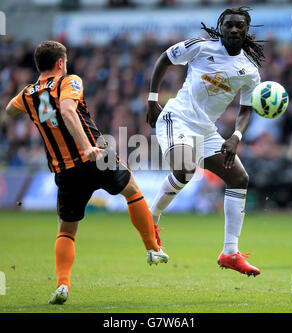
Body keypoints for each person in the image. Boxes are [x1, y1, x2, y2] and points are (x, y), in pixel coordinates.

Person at [5, 40, 168, 305]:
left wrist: (27, 102)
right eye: (65, 62)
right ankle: (152, 248)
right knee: (132, 191)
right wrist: (87, 147)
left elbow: (9, 110)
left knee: (66, 230)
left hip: (64, 171)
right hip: (95, 157)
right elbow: (69, 111)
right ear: (60, 63)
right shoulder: (69, 81)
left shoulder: (28, 94)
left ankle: (62, 285)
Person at [147, 7, 264, 277]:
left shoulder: (249, 70)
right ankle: (151, 219)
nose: (234, 30)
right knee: (185, 169)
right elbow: (164, 59)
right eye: (229, 25)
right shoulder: (200, 47)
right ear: (221, 27)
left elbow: (246, 109)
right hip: (176, 118)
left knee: (239, 178)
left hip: (206, 130)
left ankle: (230, 253)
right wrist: (153, 99)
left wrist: (236, 137)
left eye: (240, 26)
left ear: (247, 30)